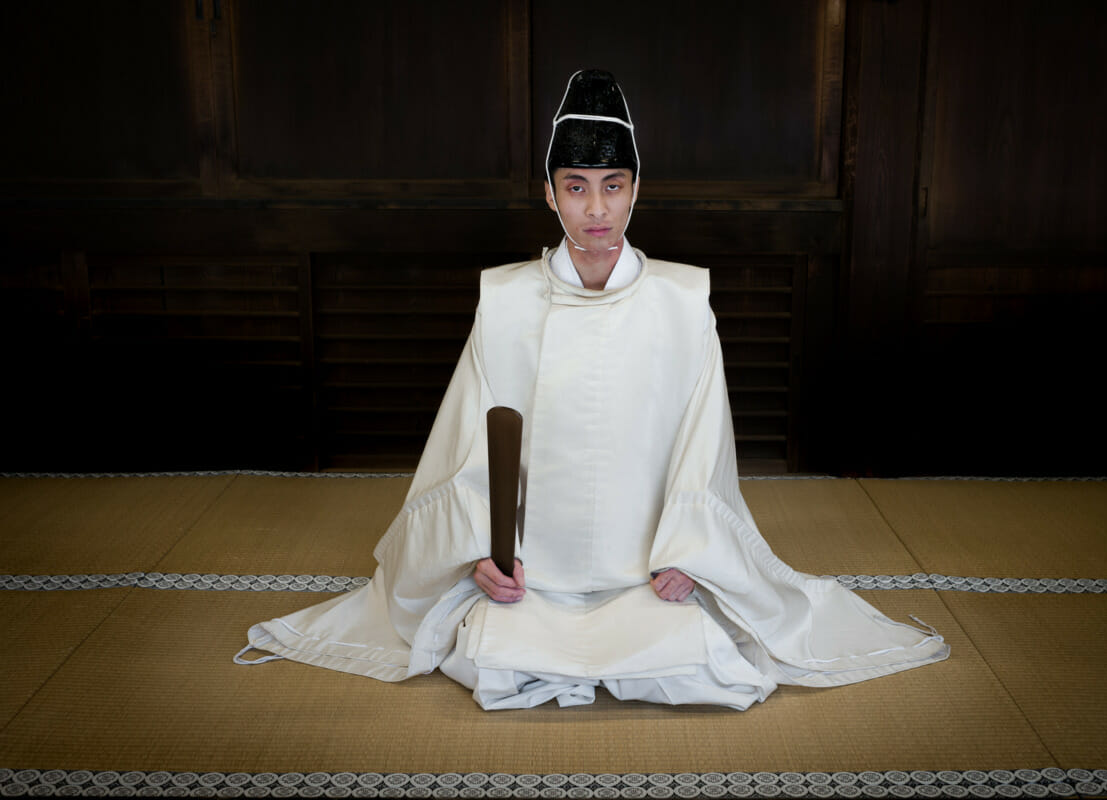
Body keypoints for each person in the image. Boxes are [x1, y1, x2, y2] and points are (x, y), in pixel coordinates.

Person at [236, 70, 948, 710]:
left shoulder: (681, 299)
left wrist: (690, 553)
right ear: (549, 193)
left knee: (699, 669)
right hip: (533, 570)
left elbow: (704, 446)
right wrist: (481, 552)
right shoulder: (506, 299)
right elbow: (464, 446)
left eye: (613, 186)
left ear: (637, 188)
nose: (596, 210)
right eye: (576, 186)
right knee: (494, 664)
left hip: (644, 565)